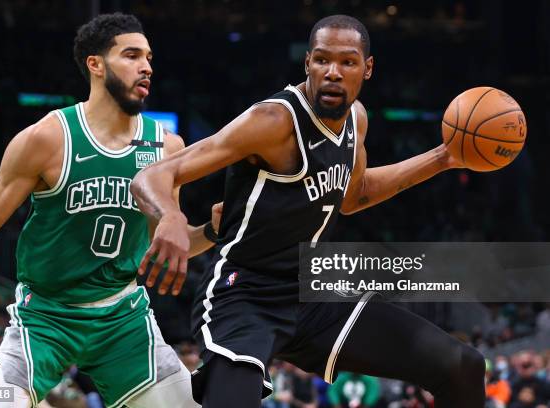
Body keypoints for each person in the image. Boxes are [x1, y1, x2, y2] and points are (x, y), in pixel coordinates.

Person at [131, 14, 486, 408]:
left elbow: (355, 196)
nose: (333, 72)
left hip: (312, 292)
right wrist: (172, 216)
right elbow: (154, 175)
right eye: (322, 60)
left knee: (462, 366)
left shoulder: (356, 120)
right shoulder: (273, 121)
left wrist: (442, 158)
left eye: (347, 62)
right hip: (244, 295)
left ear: (367, 69)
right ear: (308, 65)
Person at [0, 12, 219, 408]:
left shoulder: (166, 147)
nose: (146, 66)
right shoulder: (48, 138)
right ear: (95, 65)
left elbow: (162, 247)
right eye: (131, 55)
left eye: (148, 57)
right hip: (45, 317)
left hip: (123, 318)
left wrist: (212, 231)